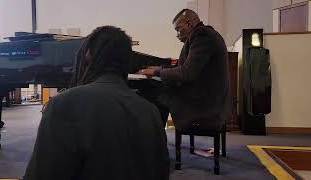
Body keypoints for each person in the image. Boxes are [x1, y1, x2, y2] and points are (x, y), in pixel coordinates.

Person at [24, 26, 169, 180]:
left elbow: (42, 174)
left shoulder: (63, 104)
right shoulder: (150, 111)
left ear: (87, 55)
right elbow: (161, 171)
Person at [138, 9, 231, 133]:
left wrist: (156, 72)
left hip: (205, 106)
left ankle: (153, 138)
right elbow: (186, 68)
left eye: (178, 29)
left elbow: (187, 72)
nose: (177, 34)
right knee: (160, 92)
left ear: (188, 23)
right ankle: (156, 137)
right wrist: (160, 69)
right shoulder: (205, 35)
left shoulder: (202, 35)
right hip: (211, 100)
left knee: (155, 93)